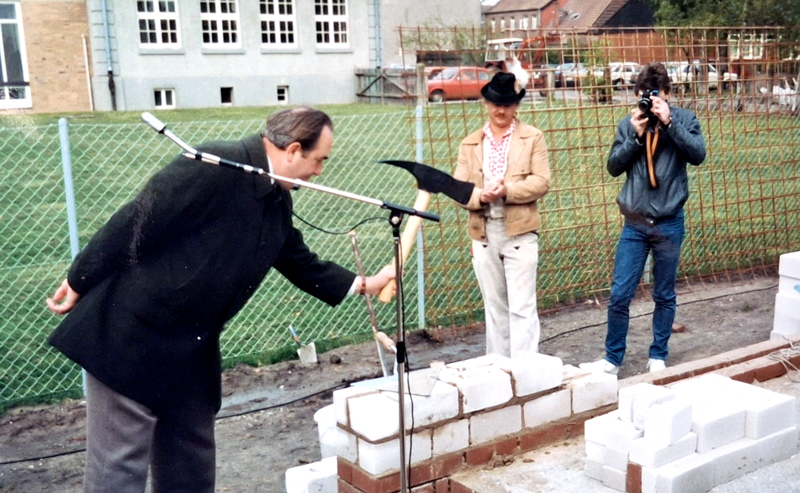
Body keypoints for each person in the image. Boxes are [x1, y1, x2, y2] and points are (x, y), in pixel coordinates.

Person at [45, 107, 395, 493]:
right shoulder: (212, 164)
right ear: (294, 150)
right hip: (130, 337)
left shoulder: (275, 199)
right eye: (319, 160)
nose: (319, 172)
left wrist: (367, 283)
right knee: (118, 469)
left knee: (189, 463)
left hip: (192, 349)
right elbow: (133, 222)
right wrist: (78, 280)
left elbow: (299, 262)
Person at [582, 62, 706, 375]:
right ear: (637, 94)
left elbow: (698, 155)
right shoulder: (629, 123)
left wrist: (670, 123)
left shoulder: (685, 119)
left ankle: (658, 355)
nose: (650, 102)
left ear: (668, 95)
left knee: (664, 294)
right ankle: (613, 359)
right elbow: (613, 167)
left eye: (657, 96)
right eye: (645, 96)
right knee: (619, 294)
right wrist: (635, 137)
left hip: (668, 221)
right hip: (635, 223)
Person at [453, 72, 551, 359]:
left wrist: (507, 190)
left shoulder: (532, 138)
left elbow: (541, 182)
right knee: (495, 308)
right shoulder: (470, 143)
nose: (501, 110)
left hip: (520, 233)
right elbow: (458, 189)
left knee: (522, 307)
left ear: (516, 105)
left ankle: (525, 370)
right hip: (484, 233)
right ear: (486, 103)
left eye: (507, 104)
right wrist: (480, 196)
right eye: (496, 104)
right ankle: (498, 370)